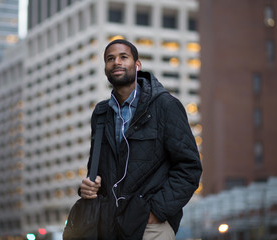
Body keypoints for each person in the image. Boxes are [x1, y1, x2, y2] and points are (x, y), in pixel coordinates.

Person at [79, 39, 202, 240]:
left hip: (150, 227)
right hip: (109, 227)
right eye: (110, 59)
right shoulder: (101, 113)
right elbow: (97, 169)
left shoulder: (165, 106)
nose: (116, 62)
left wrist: (156, 212)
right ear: (105, 69)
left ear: (137, 65)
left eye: (123, 57)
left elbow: (189, 167)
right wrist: (87, 187)